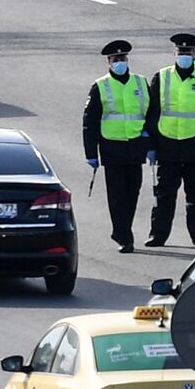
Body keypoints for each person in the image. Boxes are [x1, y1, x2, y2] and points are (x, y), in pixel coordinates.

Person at [145, 33, 195, 248]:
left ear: (194, 53)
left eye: (188, 52)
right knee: (164, 196)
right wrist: (150, 146)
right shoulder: (161, 77)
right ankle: (158, 235)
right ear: (174, 53)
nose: (184, 55)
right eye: (181, 52)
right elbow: (152, 114)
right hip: (167, 145)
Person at [82, 39, 149, 253]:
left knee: (133, 193)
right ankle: (123, 236)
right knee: (118, 195)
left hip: (136, 146)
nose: (119, 62)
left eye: (122, 58)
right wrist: (91, 153)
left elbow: (152, 112)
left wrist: (151, 141)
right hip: (112, 148)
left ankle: (123, 229)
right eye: (115, 59)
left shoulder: (140, 83)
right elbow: (89, 122)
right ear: (109, 63)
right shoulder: (101, 86)